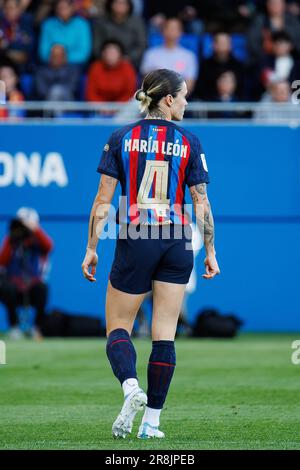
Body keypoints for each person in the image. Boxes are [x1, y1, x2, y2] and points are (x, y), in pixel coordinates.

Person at [81, 68, 220, 439]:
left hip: (137, 234)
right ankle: (152, 424)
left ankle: (130, 388)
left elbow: (102, 202)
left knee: (118, 328)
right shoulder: (190, 141)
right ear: (169, 99)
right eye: (185, 96)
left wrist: (92, 247)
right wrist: (210, 249)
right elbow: (201, 204)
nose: (188, 102)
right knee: (165, 336)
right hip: (177, 238)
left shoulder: (121, 136)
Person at [0, 207, 53, 340]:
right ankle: (14, 328)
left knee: (43, 288)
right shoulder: (12, 241)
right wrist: (12, 236)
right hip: (14, 287)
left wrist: (34, 229)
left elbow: (49, 246)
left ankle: (36, 328)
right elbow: (2, 260)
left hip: (32, 287)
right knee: (6, 287)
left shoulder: (37, 241)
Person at [141, 18, 198, 95]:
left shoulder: (189, 56)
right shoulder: (151, 54)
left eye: (175, 28)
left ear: (181, 32)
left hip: (179, 101)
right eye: (168, 28)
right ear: (162, 31)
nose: (172, 31)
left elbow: (189, 85)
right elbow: (146, 81)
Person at [92, 0, 146, 69]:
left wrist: (127, 58)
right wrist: (107, 57)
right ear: (111, 4)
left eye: (123, 3)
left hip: (130, 62)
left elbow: (141, 45)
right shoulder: (100, 22)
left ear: (129, 5)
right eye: (117, 2)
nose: (120, 5)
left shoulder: (137, 22)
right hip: (105, 61)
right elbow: (96, 46)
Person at [38, 0, 92, 66]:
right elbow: (43, 52)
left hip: (74, 65)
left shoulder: (82, 24)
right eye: (60, 8)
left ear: (72, 8)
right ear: (55, 9)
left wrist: (63, 59)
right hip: (50, 64)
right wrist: (55, 60)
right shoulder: (48, 24)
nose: (63, 11)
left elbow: (84, 53)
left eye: (65, 7)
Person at [86, 39, 136, 104]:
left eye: (113, 53)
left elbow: (129, 93)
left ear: (120, 54)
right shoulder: (95, 67)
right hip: (99, 108)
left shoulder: (127, 68)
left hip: (122, 108)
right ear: (103, 54)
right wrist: (103, 107)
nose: (110, 55)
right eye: (108, 52)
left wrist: (115, 108)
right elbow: (91, 93)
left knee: (135, 102)